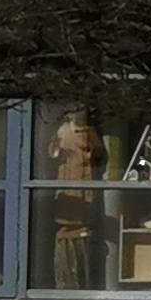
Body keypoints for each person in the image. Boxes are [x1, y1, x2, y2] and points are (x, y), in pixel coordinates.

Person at [44, 107, 110, 289]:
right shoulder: (63, 130)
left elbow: (99, 153)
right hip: (68, 176)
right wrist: (58, 149)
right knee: (69, 209)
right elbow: (53, 152)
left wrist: (91, 154)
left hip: (85, 176)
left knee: (85, 209)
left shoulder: (89, 131)